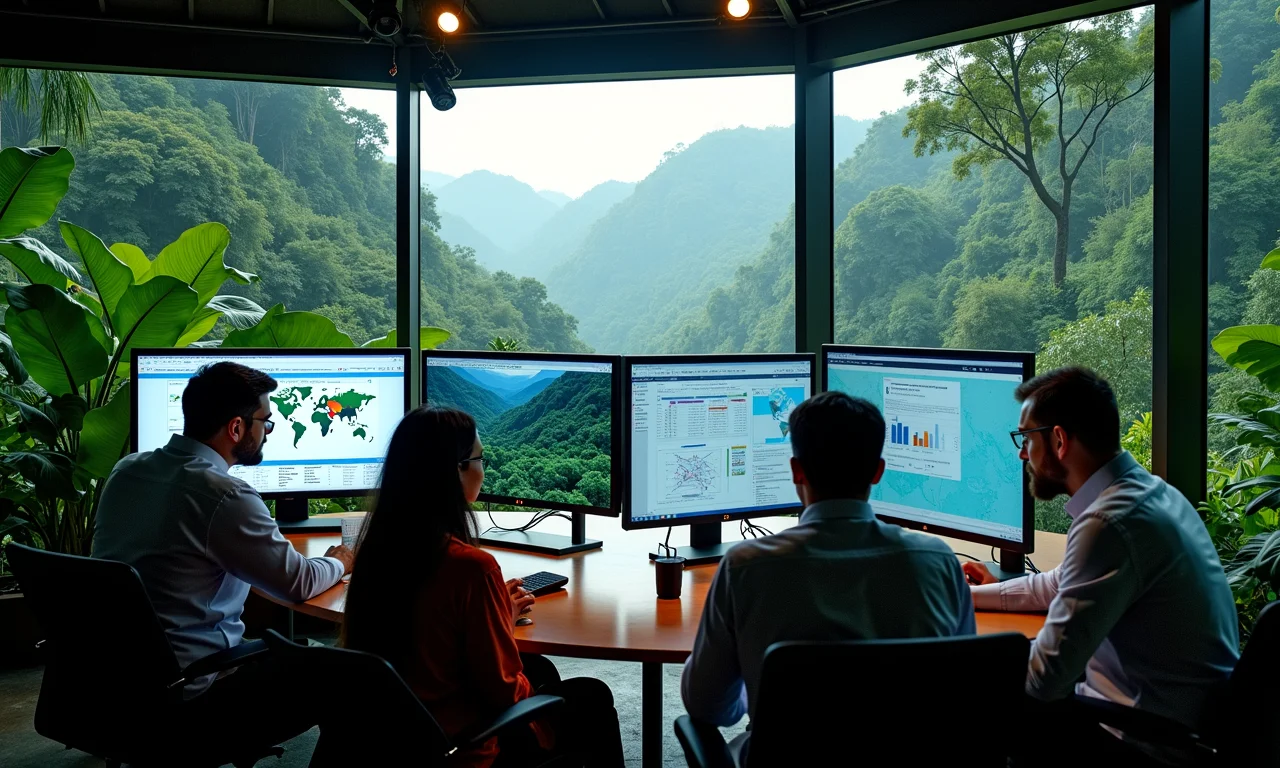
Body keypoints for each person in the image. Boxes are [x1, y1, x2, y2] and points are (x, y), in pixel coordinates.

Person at [681, 391, 975, 764]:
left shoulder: (746, 567)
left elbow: (707, 707)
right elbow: (962, 687)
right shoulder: (937, 561)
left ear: (796, 470)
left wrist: (753, 689)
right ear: (878, 471)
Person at [965, 367, 1239, 764]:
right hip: (1189, 726)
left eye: (1026, 438)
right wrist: (969, 596)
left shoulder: (1108, 523)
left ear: (1058, 440)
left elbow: (1044, 681)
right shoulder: (1151, 494)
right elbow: (1057, 584)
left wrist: (955, 661)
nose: (1023, 453)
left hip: (1145, 744)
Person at [341, 406, 624, 768]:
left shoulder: (377, 550)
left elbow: (427, 646)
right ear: (456, 471)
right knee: (592, 697)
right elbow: (501, 689)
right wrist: (501, 627)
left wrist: (493, 620)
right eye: (479, 458)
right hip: (461, 747)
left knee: (539, 668)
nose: (483, 468)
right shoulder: (473, 569)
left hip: (395, 737)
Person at [93, 361, 353, 744]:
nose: (267, 432)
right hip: (192, 692)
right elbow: (298, 583)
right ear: (236, 427)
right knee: (350, 675)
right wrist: (341, 560)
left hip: (115, 680)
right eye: (265, 421)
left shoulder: (127, 470)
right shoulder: (223, 495)